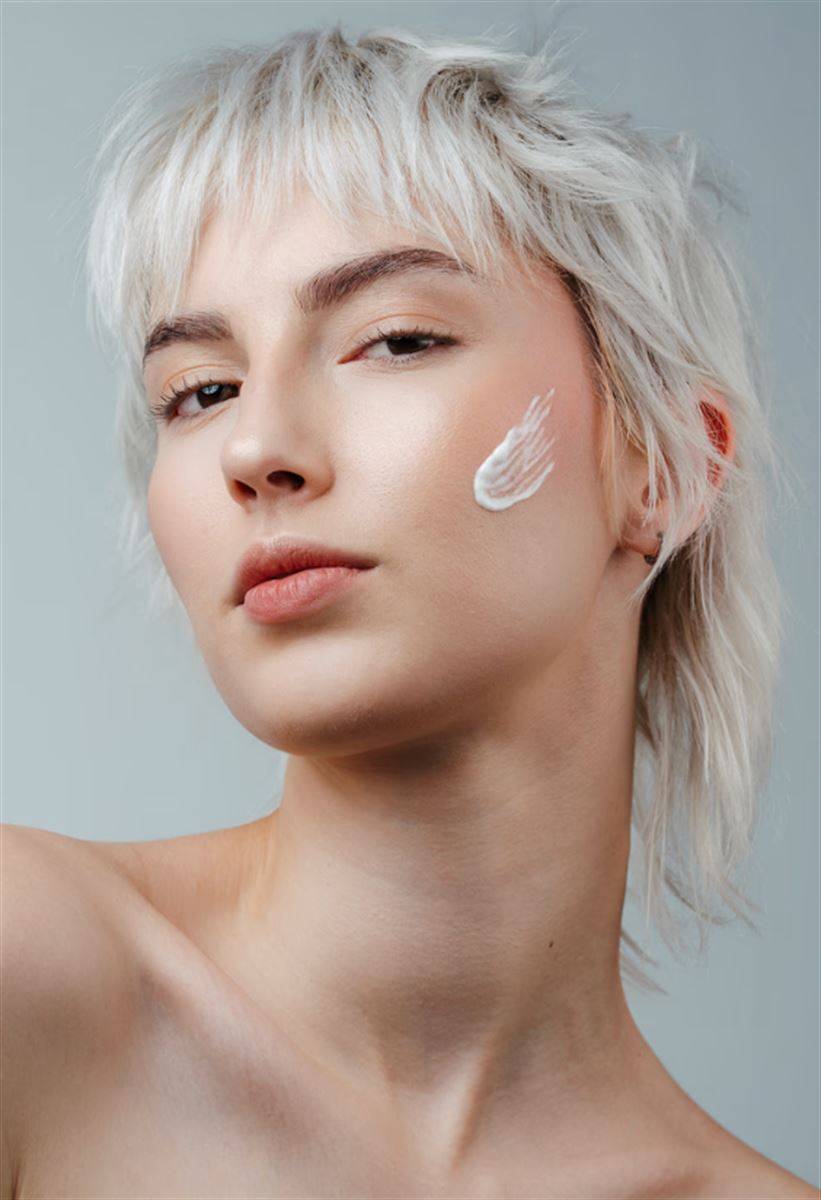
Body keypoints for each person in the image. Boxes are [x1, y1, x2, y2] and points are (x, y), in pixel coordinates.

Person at [3, 22, 817, 1200]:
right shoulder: (32, 981)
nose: (255, 448)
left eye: (394, 340)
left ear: (664, 468)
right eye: (199, 390)